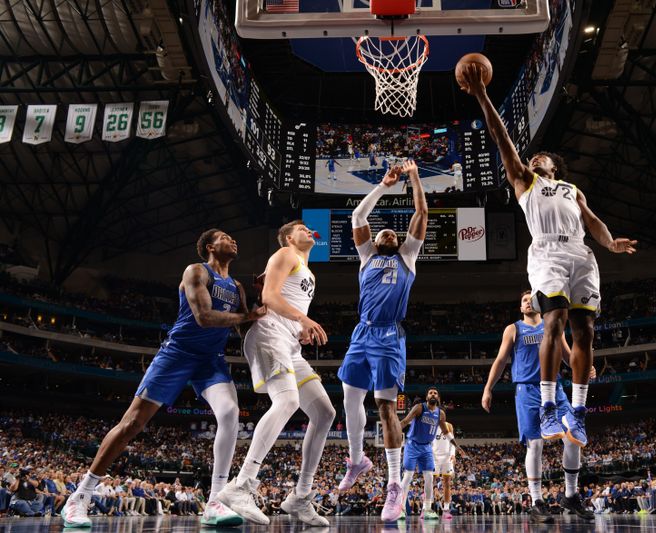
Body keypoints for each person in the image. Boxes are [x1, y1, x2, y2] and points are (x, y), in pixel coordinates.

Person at [460, 66, 637, 448]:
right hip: (546, 252)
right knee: (552, 320)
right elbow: (500, 136)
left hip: (581, 252)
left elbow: (593, 223)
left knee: (585, 331)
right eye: (534, 156)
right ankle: (547, 406)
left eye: (543, 156)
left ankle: (578, 411)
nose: (536, 157)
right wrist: (481, 95)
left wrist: (609, 244)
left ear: (555, 167)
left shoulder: (573, 190)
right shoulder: (526, 182)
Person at [61, 229, 263, 528]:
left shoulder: (236, 286)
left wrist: (264, 297)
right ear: (210, 246)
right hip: (178, 354)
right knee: (132, 423)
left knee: (231, 413)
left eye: (233, 237)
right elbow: (204, 317)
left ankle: (215, 501)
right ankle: (80, 496)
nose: (233, 239)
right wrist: (249, 316)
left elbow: (247, 326)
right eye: (224, 236)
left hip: (210, 361)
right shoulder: (197, 271)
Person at [217, 220, 335, 527]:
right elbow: (269, 297)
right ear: (287, 237)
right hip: (268, 335)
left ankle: (301, 496)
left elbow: (289, 302)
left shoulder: (308, 271)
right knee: (287, 402)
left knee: (324, 413)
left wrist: (301, 328)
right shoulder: (285, 254)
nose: (309, 231)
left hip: (289, 344)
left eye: (310, 229)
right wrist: (303, 319)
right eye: (301, 228)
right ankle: (242, 485)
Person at [336, 159, 428, 522]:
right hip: (362, 331)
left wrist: (415, 175)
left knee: (386, 408)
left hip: (390, 335)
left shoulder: (408, 255)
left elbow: (421, 211)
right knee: (349, 396)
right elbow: (358, 215)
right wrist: (383, 186)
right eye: (383, 233)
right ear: (374, 241)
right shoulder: (366, 256)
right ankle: (357, 460)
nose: (388, 233)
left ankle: (394, 488)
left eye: (393, 232)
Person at [482, 290, 595, 522]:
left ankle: (571, 495)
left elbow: (567, 355)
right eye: (523, 300)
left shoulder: (551, 325)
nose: (527, 302)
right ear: (521, 308)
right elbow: (501, 360)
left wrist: (583, 367)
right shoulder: (513, 329)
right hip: (528, 391)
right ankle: (537, 502)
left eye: (530, 299)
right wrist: (488, 388)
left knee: (573, 437)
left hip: (555, 388)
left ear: (538, 304)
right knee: (535, 446)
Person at [398, 388, 465, 521]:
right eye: (430, 393)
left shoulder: (441, 414)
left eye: (435, 393)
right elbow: (405, 421)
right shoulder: (419, 408)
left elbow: (446, 432)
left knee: (429, 477)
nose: (433, 394)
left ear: (438, 398)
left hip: (427, 447)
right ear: (427, 397)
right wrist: (393, 431)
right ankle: (401, 509)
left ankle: (427, 509)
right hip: (413, 445)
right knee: (408, 476)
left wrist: (456, 446)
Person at [432, 420, 457, 519]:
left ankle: (446, 509)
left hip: (447, 457)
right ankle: (426, 508)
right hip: (434, 457)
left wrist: (453, 454)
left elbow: (452, 441)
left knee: (447, 483)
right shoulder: (431, 425)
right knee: (430, 482)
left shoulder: (449, 425)